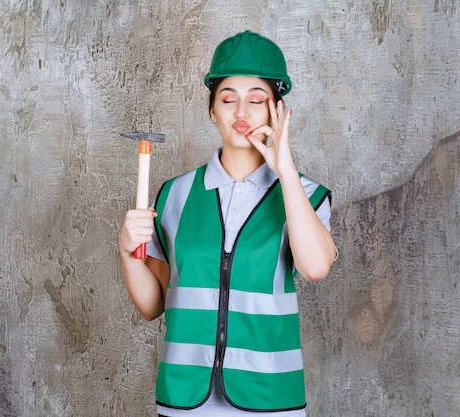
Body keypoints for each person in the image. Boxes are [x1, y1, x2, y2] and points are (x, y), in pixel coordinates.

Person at [119, 30, 337, 417]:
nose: (241, 113)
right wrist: (127, 253)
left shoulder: (305, 195)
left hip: (270, 399)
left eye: (256, 100)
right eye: (228, 99)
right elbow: (153, 304)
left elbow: (316, 267)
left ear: (277, 109)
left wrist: (285, 171)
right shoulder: (175, 194)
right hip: (184, 397)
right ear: (211, 110)